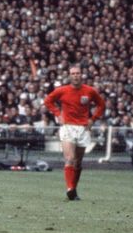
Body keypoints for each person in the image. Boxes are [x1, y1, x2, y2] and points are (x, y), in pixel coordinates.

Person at [43, 65, 105, 201]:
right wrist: (58, 114)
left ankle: (73, 190)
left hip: (83, 128)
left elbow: (102, 105)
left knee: (78, 162)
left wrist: (93, 119)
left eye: (78, 73)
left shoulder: (89, 91)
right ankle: (70, 188)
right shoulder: (62, 90)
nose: (76, 75)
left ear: (81, 75)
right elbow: (48, 101)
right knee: (70, 158)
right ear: (70, 76)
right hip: (67, 127)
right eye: (73, 73)